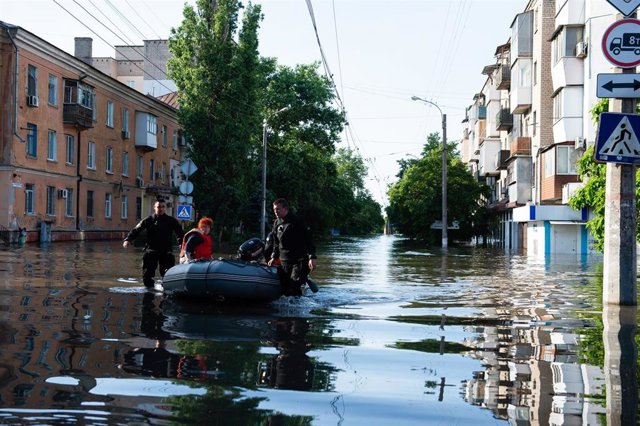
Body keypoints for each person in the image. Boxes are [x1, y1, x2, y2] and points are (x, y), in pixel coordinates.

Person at [123, 199, 185, 288]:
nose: (161, 209)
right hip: (151, 251)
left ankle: (166, 292)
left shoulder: (171, 220)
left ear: (166, 208)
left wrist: (182, 245)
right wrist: (128, 239)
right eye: (159, 207)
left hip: (166, 251)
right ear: (154, 208)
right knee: (147, 275)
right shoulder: (149, 220)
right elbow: (137, 229)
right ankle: (149, 293)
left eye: (163, 207)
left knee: (168, 274)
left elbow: (180, 233)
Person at [267, 198, 317, 296]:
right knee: (284, 291)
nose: (276, 212)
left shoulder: (296, 221)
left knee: (294, 289)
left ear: (285, 209)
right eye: (274, 210)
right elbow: (276, 243)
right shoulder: (276, 223)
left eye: (278, 209)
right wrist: (274, 257)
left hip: (299, 262)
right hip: (284, 262)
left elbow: (308, 239)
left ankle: (298, 309)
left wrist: (312, 256)